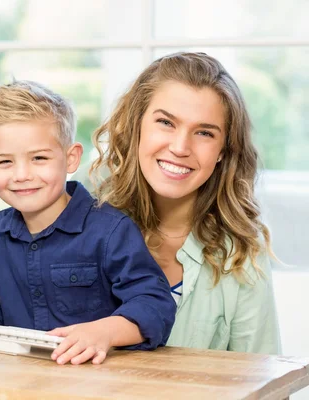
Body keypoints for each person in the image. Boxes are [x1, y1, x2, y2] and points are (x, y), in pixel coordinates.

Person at [0, 80, 176, 365]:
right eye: (6, 162)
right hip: (27, 383)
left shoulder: (110, 231)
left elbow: (156, 305)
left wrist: (104, 332)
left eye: (39, 158)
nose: (22, 174)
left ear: (71, 159)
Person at [86, 52, 280, 354]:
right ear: (136, 126)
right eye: (166, 122)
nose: (179, 147)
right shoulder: (85, 225)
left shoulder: (241, 252)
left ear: (223, 151)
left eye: (204, 132)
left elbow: (265, 383)